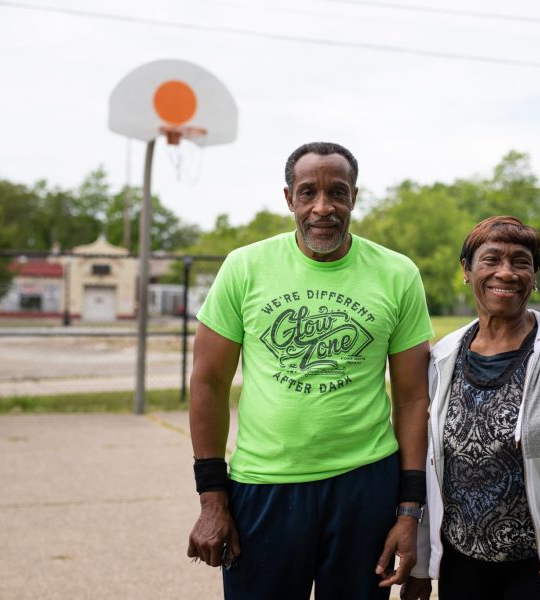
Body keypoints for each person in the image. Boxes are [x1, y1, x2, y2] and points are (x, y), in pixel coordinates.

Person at [186, 141, 433, 600]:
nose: (323, 208)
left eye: (337, 192)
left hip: (364, 485)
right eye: (308, 193)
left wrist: (409, 510)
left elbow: (413, 397)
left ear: (354, 197)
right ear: (289, 199)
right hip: (265, 486)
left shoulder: (397, 274)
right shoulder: (245, 267)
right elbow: (208, 382)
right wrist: (212, 499)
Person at [402, 216, 540, 600]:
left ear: (534, 276)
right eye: (491, 260)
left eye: (521, 262)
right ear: (467, 270)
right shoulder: (443, 357)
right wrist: (423, 565)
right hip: (462, 569)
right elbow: (432, 468)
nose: (506, 273)